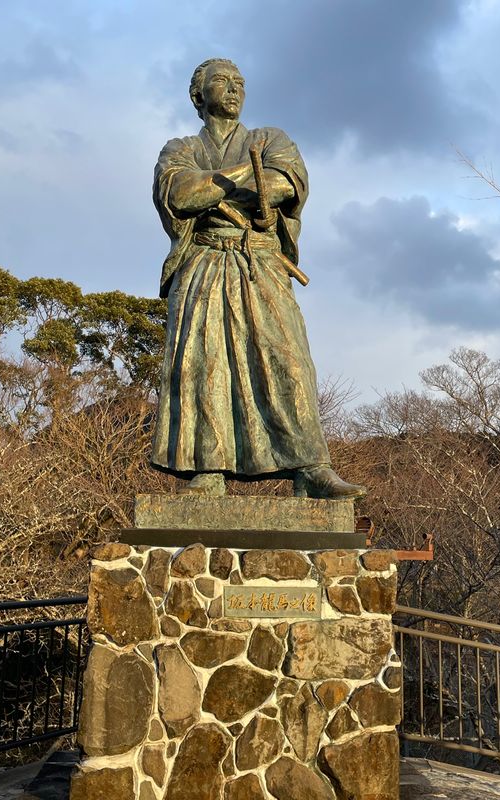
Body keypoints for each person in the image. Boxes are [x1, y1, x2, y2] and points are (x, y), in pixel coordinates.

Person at [151, 57, 365, 500]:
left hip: (260, 261)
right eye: (222, 82)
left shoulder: (270, 138)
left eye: (239, 83)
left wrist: (217, 186)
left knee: (286, 357)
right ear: (199, 95)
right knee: (202, 364)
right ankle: (207, 468)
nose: (233, 89)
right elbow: (181, 193)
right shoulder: (180, 148)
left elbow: (287, 182)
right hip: (204, 262)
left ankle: (311, 467)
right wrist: (247, 175)